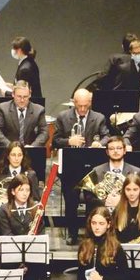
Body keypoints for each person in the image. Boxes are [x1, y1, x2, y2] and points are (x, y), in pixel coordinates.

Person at [55, 88, 109, 242]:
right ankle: (72, 234)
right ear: (74, 103)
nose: (83, 109)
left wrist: (100, 143)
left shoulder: (99, 118)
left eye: (86, 106)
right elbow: (55, 141)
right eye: (80, 106)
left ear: (90, 103)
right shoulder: (63, 117)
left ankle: (90, 234)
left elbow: (106, 136)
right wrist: (68, 142)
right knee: (71, 201)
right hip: (71, 168)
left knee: (92, 201)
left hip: (91, 168)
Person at [0, 174, 45, 280]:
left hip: (31, 266)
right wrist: (26, 239)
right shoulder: (5, 209)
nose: (25, 193)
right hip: (12, 265)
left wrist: (34, 239)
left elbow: (41, 234)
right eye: (21, 190)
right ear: (12, 191)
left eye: (27, 190)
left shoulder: (36, 209)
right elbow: (7, 235)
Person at [0, 80, 49, 148]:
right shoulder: (3, 108)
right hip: (8, 151)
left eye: (25, 97)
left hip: (30, 150)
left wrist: (33, 146)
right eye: (19, 96)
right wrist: (11, 146)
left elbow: (44, 132)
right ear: (13, 94)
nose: (22, 100)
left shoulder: (39, 110)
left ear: (30, 94)